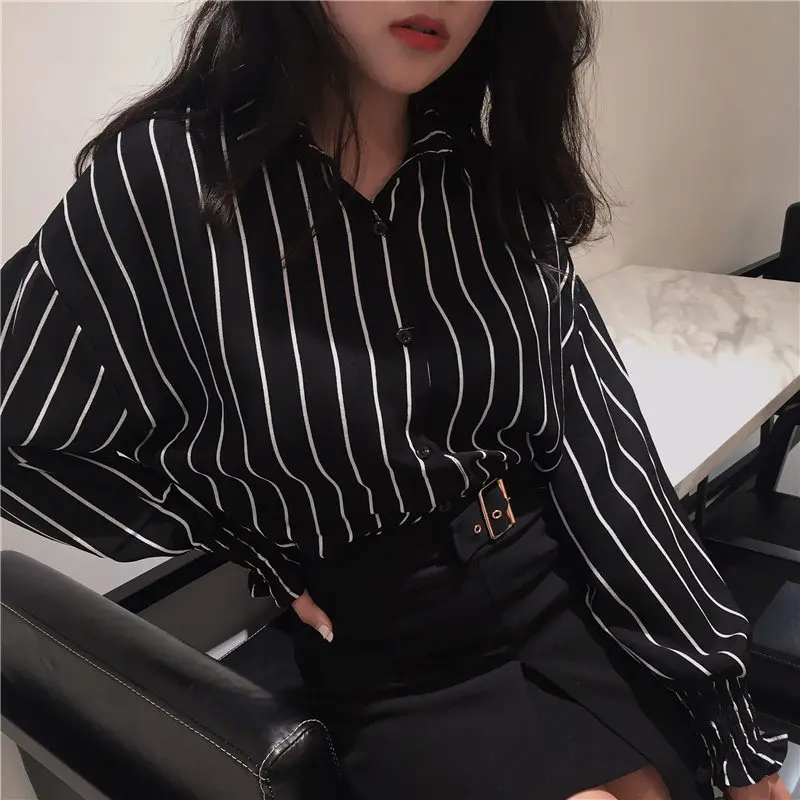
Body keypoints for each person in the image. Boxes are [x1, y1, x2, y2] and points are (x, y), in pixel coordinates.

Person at [0, 2, 790, 799]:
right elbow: (18, 435)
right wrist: (237, 534)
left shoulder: (491, 184)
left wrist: (727, 718)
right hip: (396, 661)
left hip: (561, 594)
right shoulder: (171, 180)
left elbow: (606, 462)